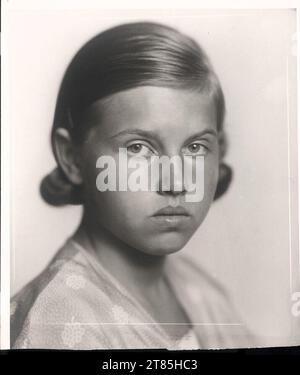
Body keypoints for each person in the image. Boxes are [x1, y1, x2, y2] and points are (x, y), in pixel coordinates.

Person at [11, 21, 252, 349]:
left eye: (195, 147)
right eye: (139, 148)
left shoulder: (200, 291)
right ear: (72, 158)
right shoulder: (56, 320)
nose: (176, 182)